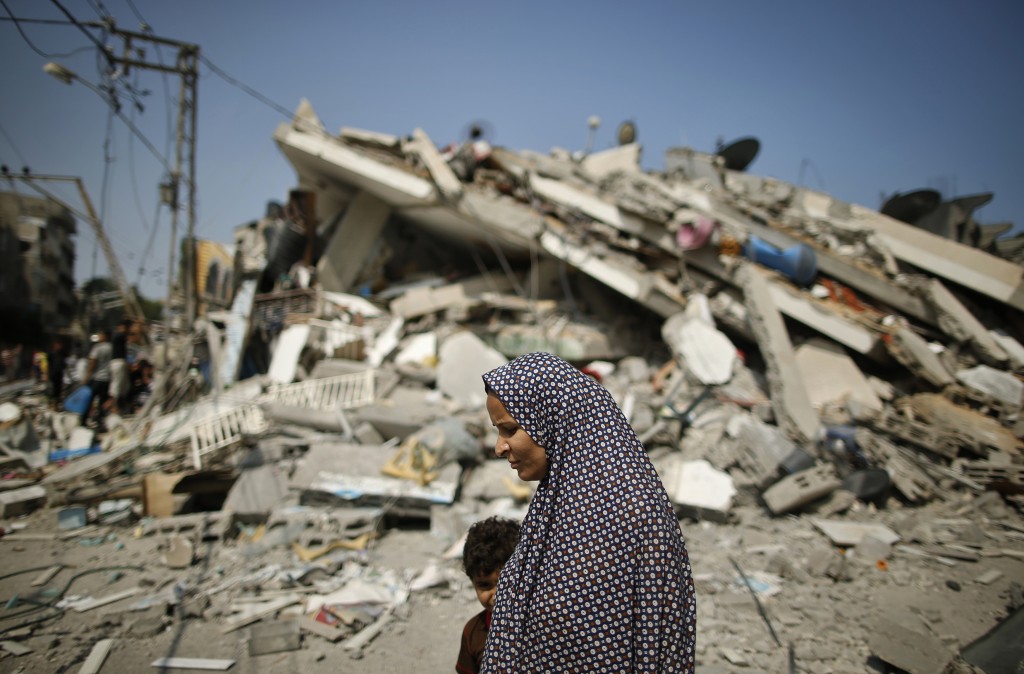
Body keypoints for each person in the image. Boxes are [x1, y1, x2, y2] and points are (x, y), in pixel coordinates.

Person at [480, 352, 697, 673]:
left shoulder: (631, 516)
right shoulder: (559, 500)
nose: (499, 447)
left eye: (510, 430)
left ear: (552, 421)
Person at [456, 516, 520, 674]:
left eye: (507, 583)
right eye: (484, 585)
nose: (497, 595)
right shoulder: (473, 632)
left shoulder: (545, 625)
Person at [82, 330, 112, 428]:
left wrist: (87, 376)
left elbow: (92, 363)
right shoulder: (112, 347)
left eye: (100, 334)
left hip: (97, 378)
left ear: (104, 336)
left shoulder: (97, 348)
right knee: (102, 402)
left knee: (89, 400)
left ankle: (83, 420)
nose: (98, 336)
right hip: (107, 379)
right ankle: (100, 422)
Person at [109, 319, 132, 414]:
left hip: (120, 363)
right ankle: (114, 407)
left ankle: (119, 406)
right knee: (117, 385)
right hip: (118, 362)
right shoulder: (119, 336)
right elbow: (130, 337)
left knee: (124, 386)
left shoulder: (120, 336)